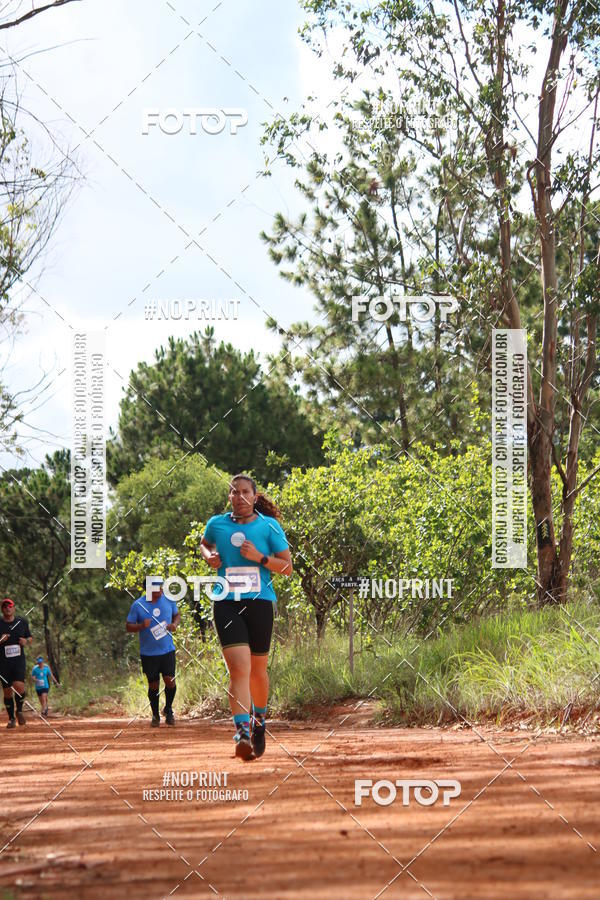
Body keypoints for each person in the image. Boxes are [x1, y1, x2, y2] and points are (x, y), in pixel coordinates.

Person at [200, 474, 292, 760]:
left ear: (254, 496)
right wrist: (208, 556)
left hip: (260, 603)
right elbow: (205, 544)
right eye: (233, 492)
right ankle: (241, 732)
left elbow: (287, 567)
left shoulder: (268, 526)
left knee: (257, 672)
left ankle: (259, 722)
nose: (239, 497)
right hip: (226, 601)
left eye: (244, 492)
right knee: (239, 669)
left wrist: (260, 558)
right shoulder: (217, 524)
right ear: (229, 497)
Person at [126, 578, 180, 727]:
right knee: (154, 685)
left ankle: (168, 709)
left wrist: (174, 625)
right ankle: (155, 715)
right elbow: (128, 626)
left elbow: (177, 615)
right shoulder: (138, 605)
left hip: (167, 650)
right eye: (158, 588)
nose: (161, 589)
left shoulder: (169, 600)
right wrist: (141, 625)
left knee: (170, 680)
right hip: (149, 653)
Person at [0, 598, 32, 728]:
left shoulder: (21, 622)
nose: (8, 608)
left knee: (19, 687)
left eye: (10, 606)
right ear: (2, 609)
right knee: (7, 691)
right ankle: (11, 718)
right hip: (3, 663)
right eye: (5, 606)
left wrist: (26, 641)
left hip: (18, 661)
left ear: (14, 608)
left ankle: (19, 710)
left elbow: (30, 637)